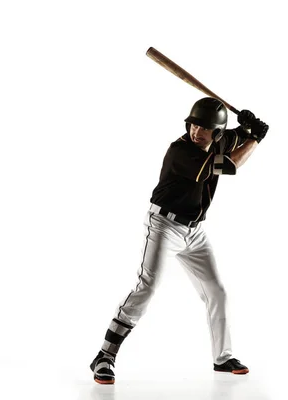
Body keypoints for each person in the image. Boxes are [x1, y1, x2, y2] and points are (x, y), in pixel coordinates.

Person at [89, 97, 269, 384]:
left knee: (217, 291)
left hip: (195, 232)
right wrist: (257, 139)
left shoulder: (219, 140)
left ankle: (222, 358)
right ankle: (104, 356)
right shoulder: (181, 151)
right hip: (164, 226)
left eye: (205, 128)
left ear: (217, 133)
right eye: (194, 125)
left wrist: (248, 127)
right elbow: (231, 166)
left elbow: (238, 139)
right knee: (147, 288)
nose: (197, 131)